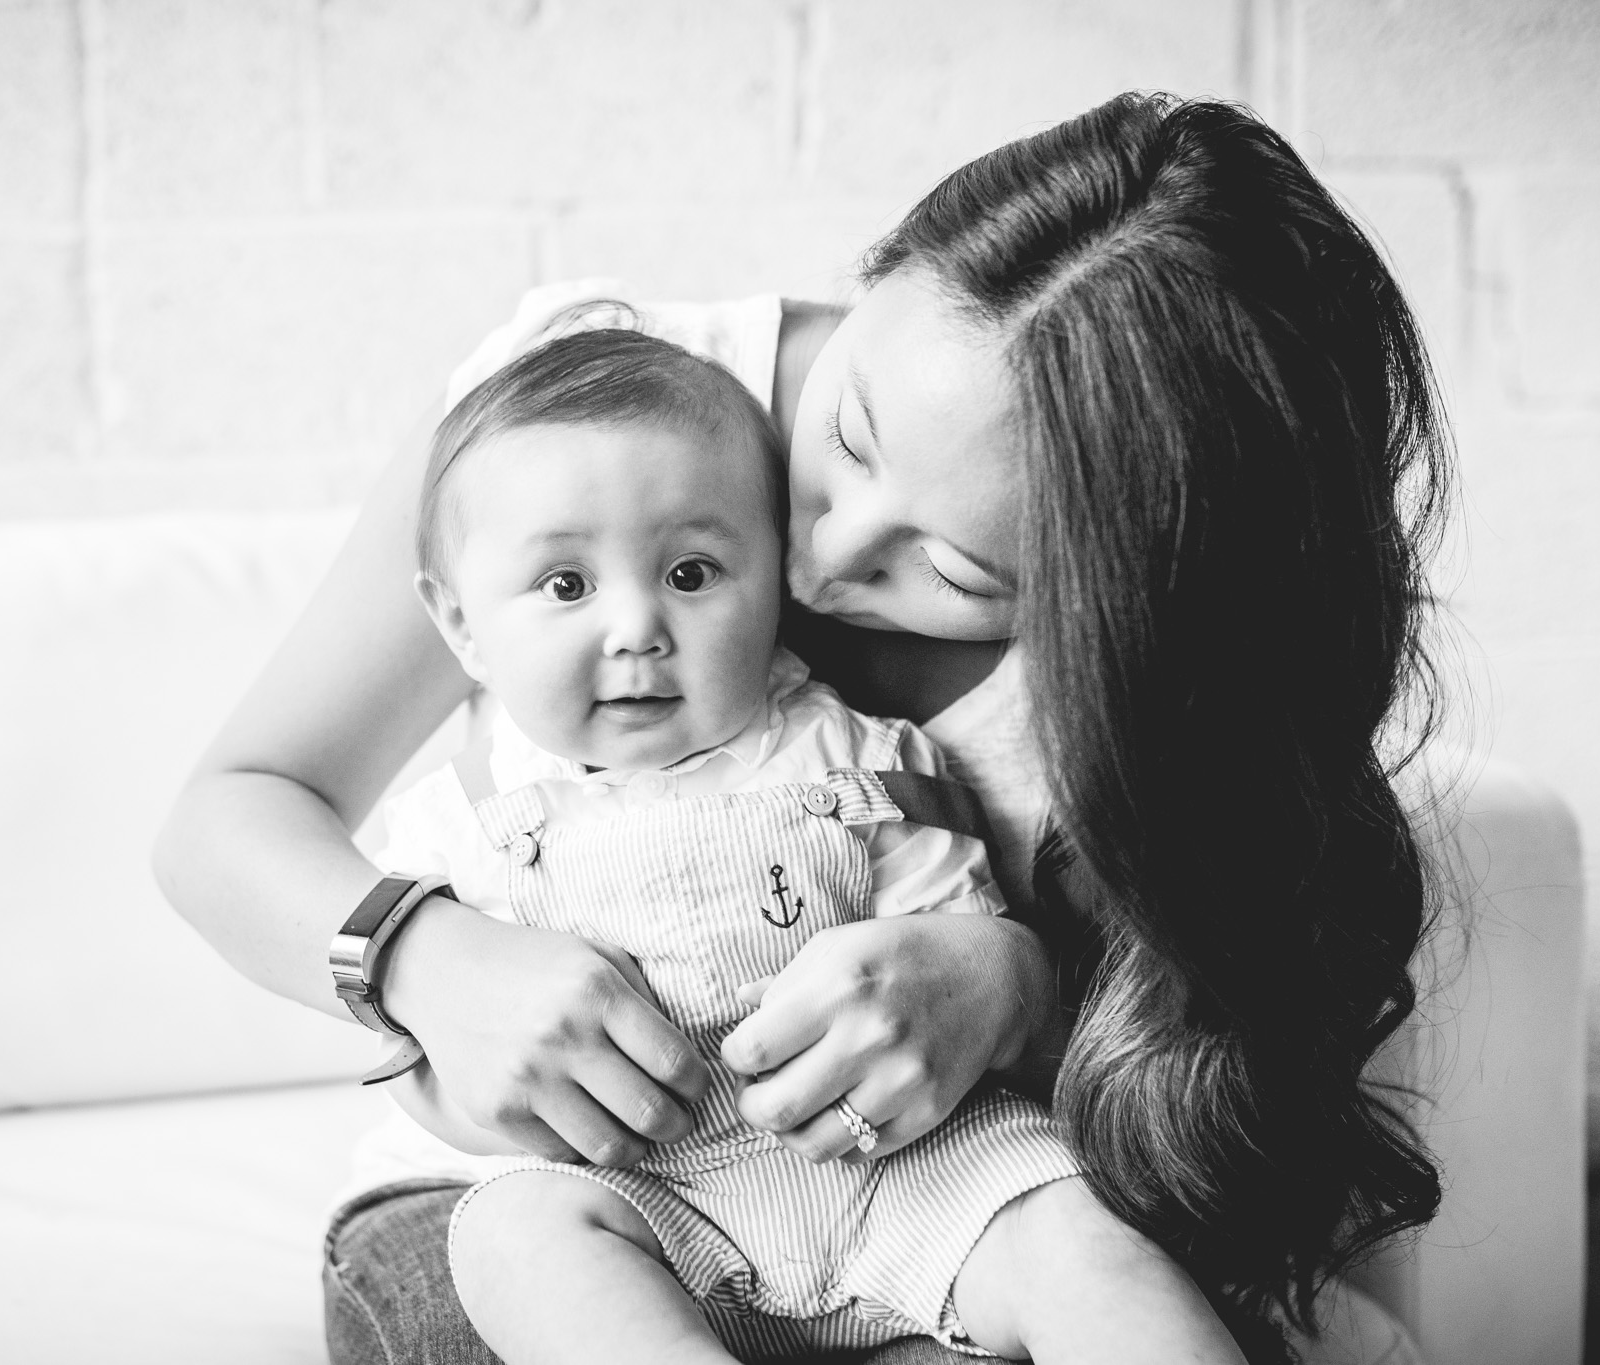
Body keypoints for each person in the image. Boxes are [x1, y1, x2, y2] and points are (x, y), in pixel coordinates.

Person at [153, 92, 1448, 1365]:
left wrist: (1010, 985)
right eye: (850, 435)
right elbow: (232, 812)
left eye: (957, 570)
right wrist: (425, 960)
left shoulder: (1157, 686)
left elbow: (1183, 1082)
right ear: (884, 268)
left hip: (897, 1186)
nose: (821, 555)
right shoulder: (586, 414)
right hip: (579, 1187)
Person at [371, 323, 1245, 1364]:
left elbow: (957, 935)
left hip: (907, 1169)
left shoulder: (861, 757)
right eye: (567, 586)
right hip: (645, 1193)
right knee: (516, 1238)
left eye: (692, 572)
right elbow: (423, 1071)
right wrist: (495, 1110)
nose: (637, 626)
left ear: (775, 579)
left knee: (1078, 1241)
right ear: (462, 624)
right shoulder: (455, 825)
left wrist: (968, 960)